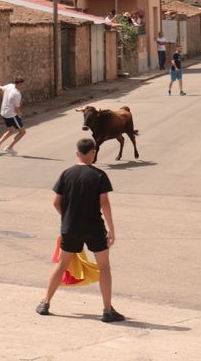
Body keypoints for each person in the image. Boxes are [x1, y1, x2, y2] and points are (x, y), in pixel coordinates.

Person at [35, 138, 124, 323]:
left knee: (61, 265)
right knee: (104, 267)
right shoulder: (99, 175)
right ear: (93, 153)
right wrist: (111, 229)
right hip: (94, 228)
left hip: (71, 227)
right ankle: (107, 310)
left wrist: (66, 217)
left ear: (77, 153)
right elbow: (105, 203)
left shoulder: (66, 174)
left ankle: (45, 303)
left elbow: (55, 202)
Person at [0, 78, 26, 155]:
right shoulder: (17, 94)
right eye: (21, 84)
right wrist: (20, 114)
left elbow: (1, 88)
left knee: (11, 130)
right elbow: (16, 109)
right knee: (22, 132)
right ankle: (9, 148)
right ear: (18, 84)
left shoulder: (9, 86)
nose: (22, 86)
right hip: (11, 114)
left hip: (4, 113)